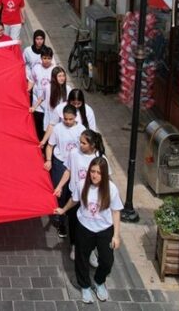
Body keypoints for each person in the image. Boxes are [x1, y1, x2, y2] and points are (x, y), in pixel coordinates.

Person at [55, 156, 123, 304]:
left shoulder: (111, 189)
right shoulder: (82, 185)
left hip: (104, 230)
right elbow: (74, 200)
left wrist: (116, 235)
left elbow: (116, 211)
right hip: (84, 227)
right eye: (92, 171)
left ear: (104, 174)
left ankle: (99, 281)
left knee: (107, 260)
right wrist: (63, 210)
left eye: (98, 172)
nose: (94, 175)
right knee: (81, 258)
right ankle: (85, 285)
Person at [56, 130, 107, 263]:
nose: (80, 145)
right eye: (80, 141)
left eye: (83, 143)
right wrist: (60, 186)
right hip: (75, 194)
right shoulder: (73, 153)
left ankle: (90, 251)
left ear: (92, 144)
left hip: (92, 198)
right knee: (74, 223)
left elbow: (107, 178)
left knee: (92, 225)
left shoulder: (100, 158)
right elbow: (68, 170)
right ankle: (74, 245)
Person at [45, 105, 87, 239]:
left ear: (75, 117)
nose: (68, 121)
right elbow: (50, 146)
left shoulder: (81, 129)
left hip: (75, 165)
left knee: (74, 192)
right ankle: (60, 220)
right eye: (65, 119)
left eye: (71, 119)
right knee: (59, 193)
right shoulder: (57, 128)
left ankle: (73, 218)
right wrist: (49, 160)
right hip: (60, 163)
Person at [40, 67, 73, 147]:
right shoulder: (48, 88)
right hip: (50, 121)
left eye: (63, 76)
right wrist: (34, 107)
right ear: (54, 77)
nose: (62, 78)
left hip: (62, 123)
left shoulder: (68, 89)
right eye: (59, 76)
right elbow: (42, 97)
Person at [28, 48, 54, 142]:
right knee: (38, 127)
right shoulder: (36, 68)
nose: (46, 60)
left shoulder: (54, 70)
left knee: (48, 128)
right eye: (44, 58)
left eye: (48, 58)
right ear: (41, 58)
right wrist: (27, 90)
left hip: (49, 104)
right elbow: (32, 80)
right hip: (37, 105)